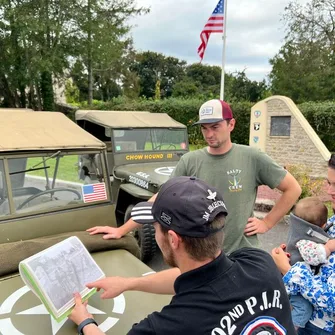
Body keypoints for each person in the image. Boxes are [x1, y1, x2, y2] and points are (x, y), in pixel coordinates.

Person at [69, 176, 296, 335]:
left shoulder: (172, 325)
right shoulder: (260, 263)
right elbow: (195, 277)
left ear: (173, 239)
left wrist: (85, 322)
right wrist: (129, 283)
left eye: (155, 227)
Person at [87, 99, 301, 254]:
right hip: (203, 258)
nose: (209, 134)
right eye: (204, 128)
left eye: (215, 127)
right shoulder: (190, 161)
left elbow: (293, 189)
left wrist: (268, 223)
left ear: (231, 124)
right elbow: (160, 199)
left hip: (242, 255)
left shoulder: (252, 157)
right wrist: (122, 229)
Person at [271, 154, 335, 334]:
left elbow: (332, 300)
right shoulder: (331, 221)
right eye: (329, 183)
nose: (330, 191)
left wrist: (289, 270)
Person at [284, 197, 330, 331]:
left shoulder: (300, 232)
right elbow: (313, 256)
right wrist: (327, 248)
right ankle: (291, 328)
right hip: (295, 283)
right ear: (321, 226)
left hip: (295, 281)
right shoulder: (305, 241)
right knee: (303, 308)